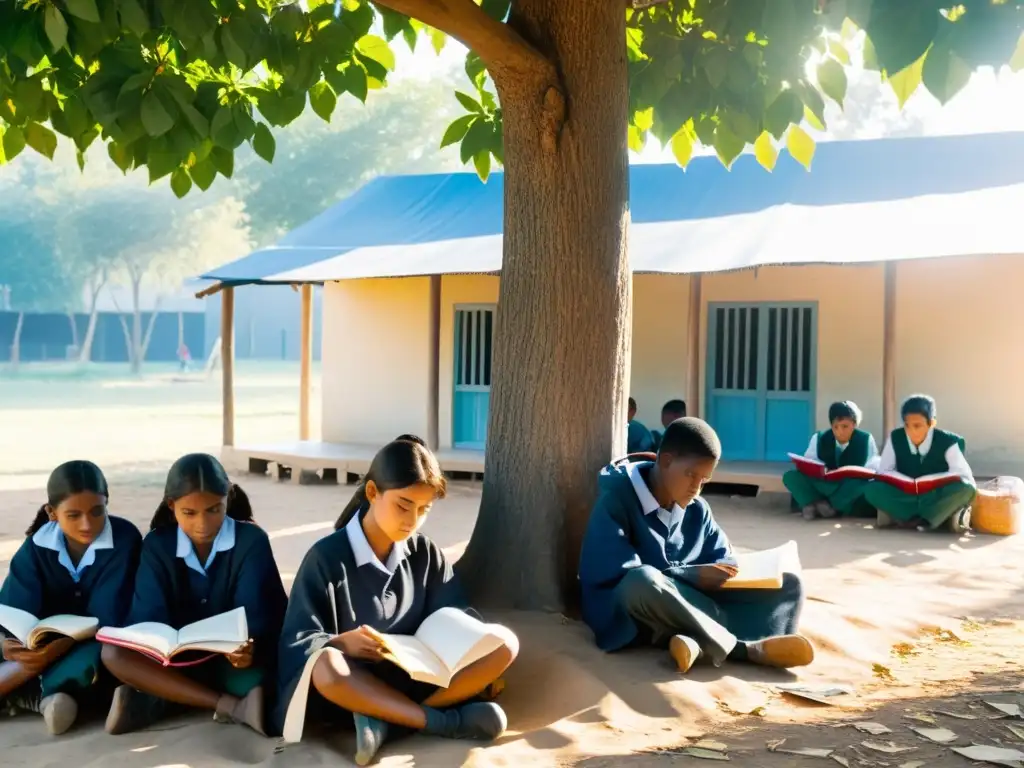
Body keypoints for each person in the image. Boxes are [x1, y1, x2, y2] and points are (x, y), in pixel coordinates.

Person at [275, 436, 518, 766]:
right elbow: (297, 641)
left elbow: (455, 614)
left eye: (424, 509)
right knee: (326, 666)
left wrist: (455, 637)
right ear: (373, 493)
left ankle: (391, 721)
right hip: (355, 686)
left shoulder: (426, 553)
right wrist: (340, 642)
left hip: (417, 680)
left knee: (505, 644)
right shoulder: (326, 558)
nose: (412, 520)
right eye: (403, 505)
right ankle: (441, 721)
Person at [578, 417, 814, 674]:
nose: (696, 487)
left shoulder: (697, 509)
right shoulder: (617, 499)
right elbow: (612, 572)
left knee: (789, 583)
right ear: (666, 461)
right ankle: (742, 649)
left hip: (691, 603)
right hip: (633, 612)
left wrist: (723, 570)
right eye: (691, 475)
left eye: (704, 480)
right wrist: (690, 576)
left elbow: (722, 556)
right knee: (642, 580)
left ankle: (698, 642)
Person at [101, 453, 287, 735]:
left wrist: (248, 649)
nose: (203, 523)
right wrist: (164, 645)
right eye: (189, 513)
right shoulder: (156, 545)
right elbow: (148, 618)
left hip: (234, 663)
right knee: (113, 654)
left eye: (214, 509)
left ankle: (163, 700)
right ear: (171, 505)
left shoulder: (251, 540)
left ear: (229, 497)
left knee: (269, 683)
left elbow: (259, 616)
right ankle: (227, 705)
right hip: (176, 662)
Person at [0, 461, 141, 735]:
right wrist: (9, 646)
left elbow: (107, 615)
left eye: (97, 511)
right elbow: (12, 610)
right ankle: (41, 697)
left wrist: (50, 652)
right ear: (52, 512)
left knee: (99, 660)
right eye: (73, 515)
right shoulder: (36, 546)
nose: (87, 524)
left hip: (89, 642)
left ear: (107, 504)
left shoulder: (124, 540)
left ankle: (30, 693)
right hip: (36, 645)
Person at [863, 394, 976, 532]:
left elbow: (964, 476)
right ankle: (915, 518)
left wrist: (932, 481)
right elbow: (884, 471)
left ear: (932, 423)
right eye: (907, 425)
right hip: (905, 495)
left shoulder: (947, 441)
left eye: (917, 426)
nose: (911, 431)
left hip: (935, 495)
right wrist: (906, 482)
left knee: (966, 489)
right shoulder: (896, 437)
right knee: (871, 488)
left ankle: (930, 519)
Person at [783, 400, 879, 520]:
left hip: (847, 487)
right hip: (822, 484)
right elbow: (810, 462)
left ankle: (824, 506)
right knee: (791, 476)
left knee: (863, 485)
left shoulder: (866, 439)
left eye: (845, 426)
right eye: (835, 427)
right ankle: (817, 503)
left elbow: (872, 467)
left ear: (854, 425)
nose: (840, 431)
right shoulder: (819, 438)